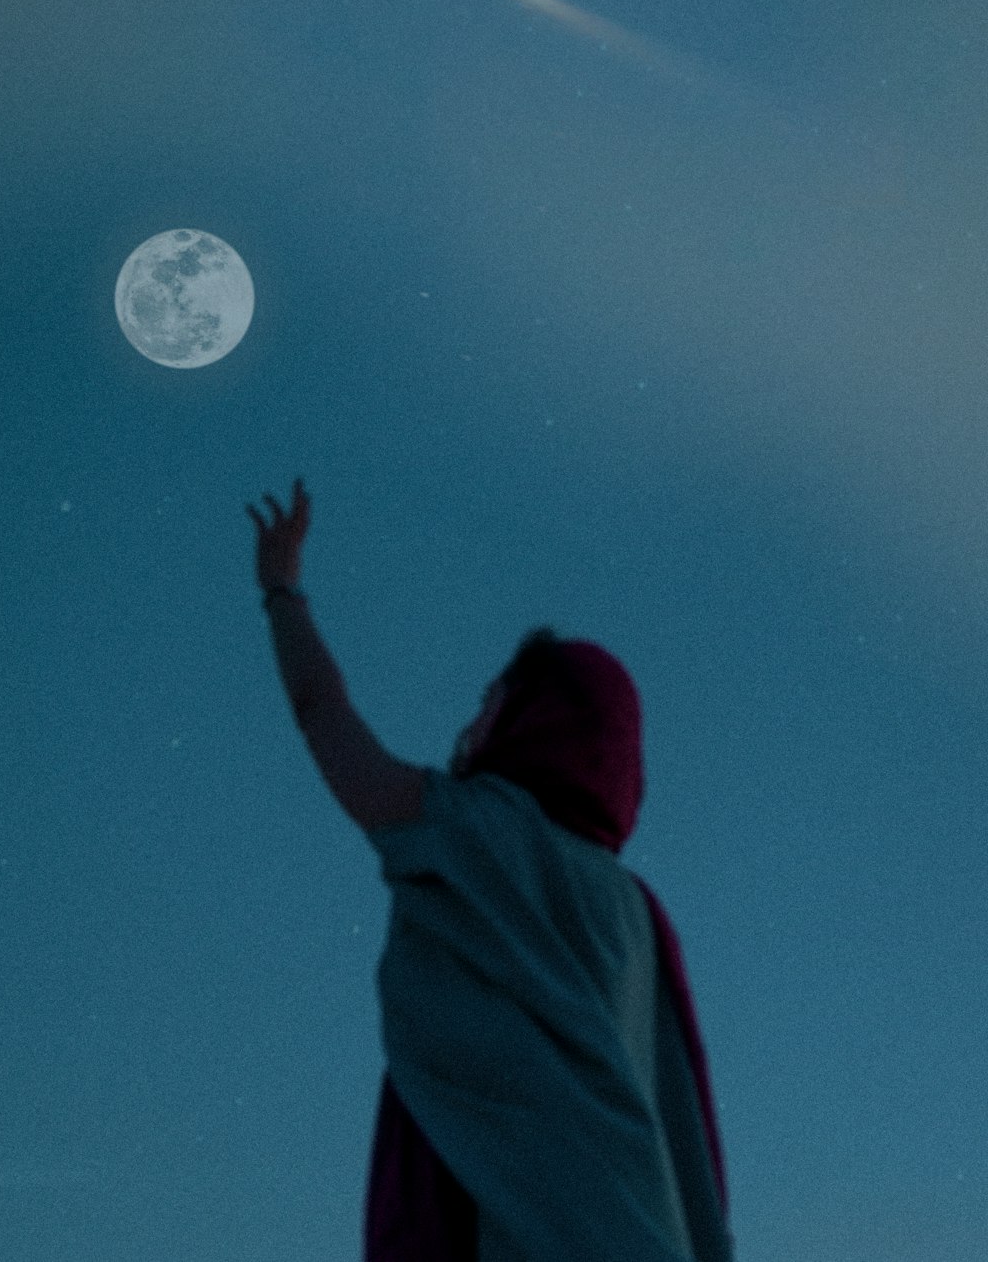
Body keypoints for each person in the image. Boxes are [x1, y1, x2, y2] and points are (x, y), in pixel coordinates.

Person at [248, 481, 735, 1262]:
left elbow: (325, 718)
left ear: (533, 718)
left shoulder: (478, 836)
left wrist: (282, 590)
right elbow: (687, 1136)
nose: (466, 724)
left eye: (488, 702)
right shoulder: (639, 915)